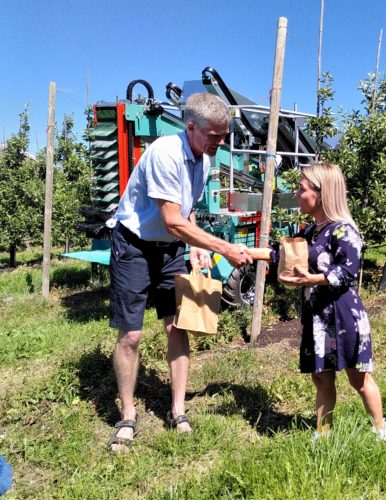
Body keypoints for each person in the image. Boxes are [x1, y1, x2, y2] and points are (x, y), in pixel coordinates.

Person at [107, 92, 253, 453]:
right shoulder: (164, 154)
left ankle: (177, 410)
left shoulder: (203, 159)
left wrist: (198, 247)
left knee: (178, 326)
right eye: (215, 135)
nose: (221, 142)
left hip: (169, 248)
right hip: (135, 246)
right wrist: (223, 247)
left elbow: (185, 211)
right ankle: (127, 415)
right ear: (191, 127)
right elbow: (171, 220)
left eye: (224, 135)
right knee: (132, 336)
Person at [250, 162, 386, 445]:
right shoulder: (311, 232)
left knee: (359, 379)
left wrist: (312, 279)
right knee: (321, 378)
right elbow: (282, 256)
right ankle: (323, 434)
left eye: (301, 189)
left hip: (343, 315)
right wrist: (245, 252)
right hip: (318, 316)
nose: (297, 193)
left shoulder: (343, 231)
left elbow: (346, 272)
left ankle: (381, 431)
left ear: (321, 193)